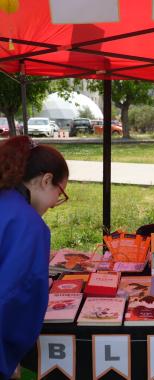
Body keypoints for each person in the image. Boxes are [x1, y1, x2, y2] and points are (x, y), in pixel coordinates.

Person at [0, 136, 69, 379]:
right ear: (46, 180)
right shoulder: (28, 225)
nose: (54, 204)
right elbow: (15, 299)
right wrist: (9, 358)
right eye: (60, 194)